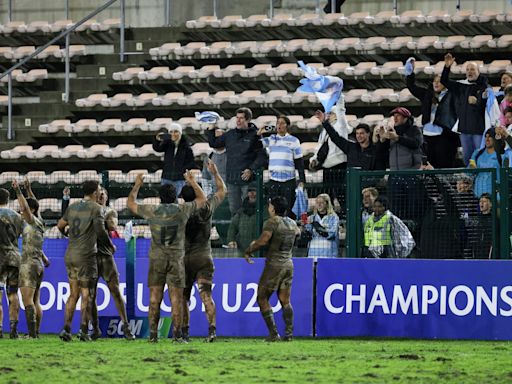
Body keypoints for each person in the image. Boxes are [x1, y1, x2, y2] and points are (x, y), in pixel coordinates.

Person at [127, 171, 206, 343]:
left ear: (159, 197)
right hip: (176, 259)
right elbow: (202, 200)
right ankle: (177, 335)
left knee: (154, 298)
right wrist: (192, 182)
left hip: (157, 259)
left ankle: (153, 335)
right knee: (176, 299)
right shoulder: (182, 210)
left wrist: (137, 184)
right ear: (175, 196)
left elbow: (130, 204)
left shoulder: (152, 210)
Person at [57, 180, 112, 342]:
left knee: (73, 294)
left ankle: (66, 329)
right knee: (87, 294)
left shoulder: (72, 206)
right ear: (95, 192)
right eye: (99, 190)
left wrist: (68, 235)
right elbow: (101, 231)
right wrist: (110, 245)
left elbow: (60, 225)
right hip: (86, 256)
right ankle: (83, 330)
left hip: (70, 254)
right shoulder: (96, 208)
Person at [180, 161, 226, 343]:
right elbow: (222, 191)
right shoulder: (207, 208)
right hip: (204, 256)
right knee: (206, 296)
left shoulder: (181, 211)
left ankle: (184, 333)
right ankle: (212, 331)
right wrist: (215, 174)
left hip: (184, 258)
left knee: (184, 298)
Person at [243, 196, 300, 342]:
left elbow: (263, 240)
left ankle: (274, 334)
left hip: (274, 265)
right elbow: (298, 234)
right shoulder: (293, 223)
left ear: (273, 208)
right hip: (288, 264)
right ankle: (289, 334)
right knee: (285, 301)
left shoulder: (272, 222)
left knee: (262, 297)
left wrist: (249, 249)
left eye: (269, 206)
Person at [91, 188, 134, 340]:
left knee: (115, 291)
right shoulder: (89, 211)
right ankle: (95, 329)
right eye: (99, 193)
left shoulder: (110, 211)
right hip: (91, 257)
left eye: (104, 194)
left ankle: (127, 327)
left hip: (106, 257)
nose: (102, 195)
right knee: (91, 295)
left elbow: (113, 226)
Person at [207, 107, 267, 216]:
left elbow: (262, 156)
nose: (238, 121)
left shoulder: (256, 135)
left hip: (248, 181)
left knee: (249, 209)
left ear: (248, 120)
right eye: (237, 118)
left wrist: (251, 169)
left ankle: (249, 232)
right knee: (234, 210)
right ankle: (237, 232)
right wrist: (211, 127)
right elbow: (214, 143)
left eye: (241, 118)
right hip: (232, 180)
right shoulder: (230, 134)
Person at [12, 178, 50, 338]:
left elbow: (27, 207)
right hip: (38, 264)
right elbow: (33, 205)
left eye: (23, 210)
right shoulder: (39, 222)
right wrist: (28, 189)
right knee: (35, 301)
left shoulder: (31, 221)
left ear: (31, 211)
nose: (21, 212)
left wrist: (18, 191)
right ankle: (36, 332)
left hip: (28, 265)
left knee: (27, 301)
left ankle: (32, 335)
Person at [406, 60, 459, 168]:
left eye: (439, 81)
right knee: (430, 168)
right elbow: (412, 87)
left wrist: (447, 68)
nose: (436, 83)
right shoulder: (427, 94)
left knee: (444, 167)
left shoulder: (452, 95)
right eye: (434, 81)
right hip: (427, 136)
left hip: (444, 136)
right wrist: (409, 72)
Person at [313, 92, 387, 171]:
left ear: (368, 134)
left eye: (362, 133)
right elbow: (335, 137)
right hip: (352, 182)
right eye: (357, 133)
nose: (359, 136)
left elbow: (381, 165)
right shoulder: (351, 147)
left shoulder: (374, 150)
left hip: (368, 182)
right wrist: (324, 123)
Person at [441, 53, 488, 166]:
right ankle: (469, 182)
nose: (469, 72)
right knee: (467, 159)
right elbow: (444, 81)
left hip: (478, 130)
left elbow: (487, 108)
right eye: (467, 70)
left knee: (480, 157)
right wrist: (447, 67)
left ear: (478, 72)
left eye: (472, 69)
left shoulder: (484, 87)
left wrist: (477, 102)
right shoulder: (461, 86)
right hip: (464, 130)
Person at [258, 115, 305, 217]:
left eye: (282, 123)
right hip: (274, 180)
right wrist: (259, 134)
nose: (279, 125)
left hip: (288, 180)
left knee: (288, 208)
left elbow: (299, 161)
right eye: (278, 123)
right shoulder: (270, 139)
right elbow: (257, 145)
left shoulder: (294, 140)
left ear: (287, 126)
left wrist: (302, 180)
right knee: (274, 208)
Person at [309, 101, 349, 216]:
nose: (328, 115)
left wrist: (339, 94)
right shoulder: (324, 131)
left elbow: (342, 110)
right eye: (328, 113)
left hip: (339, 166)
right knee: (327, 197)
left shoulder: (341, 126)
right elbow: (320, 147)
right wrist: (314, 159)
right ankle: (328, 219)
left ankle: (346, 220)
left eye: (331, 113)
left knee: (342, 196)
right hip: (327, 167)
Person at [0, 188, 22, 339]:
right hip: (14, 256)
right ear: (8, 200)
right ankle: (13, 330)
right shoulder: (17, 217)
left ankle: (0, 329)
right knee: (13, 293)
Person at [153, 123, 197, 196]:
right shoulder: (167, 144)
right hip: (166, 177)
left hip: (179, 179)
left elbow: (191, 162)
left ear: (180, 133)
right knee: (165, 199)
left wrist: (182, 169)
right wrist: (157, 140)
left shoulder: (187, 147)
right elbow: (157, 148)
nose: (173, 134)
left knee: (176, 199)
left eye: (176, 131)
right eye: (171, 132)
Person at [227, 188, 261, 255]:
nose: (252, 193)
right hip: (241, 250)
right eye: (249, 191)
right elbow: (233, 226)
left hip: (259, 250)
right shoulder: (241, 211)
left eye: (254, 191)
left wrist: (259, 241)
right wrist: (231, 240)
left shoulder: (264, 211)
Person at [468, 128, 502, 198]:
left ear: (496, 138)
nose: (487, 139)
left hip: (495, 198)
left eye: (490, 137)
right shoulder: (477, 153)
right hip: (478, 196)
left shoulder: (502, 155)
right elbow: (469, 172)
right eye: (486, 137)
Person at [305, 193, 339, 258]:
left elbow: (330, 234)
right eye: (317, 202)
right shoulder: (311, 218)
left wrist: (315, 224)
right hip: (313, 254)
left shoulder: (334, 218)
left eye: (321, 203)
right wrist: (303, 227)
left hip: (328, 254)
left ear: (327, 204)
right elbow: (308, 236)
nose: (319, 205)